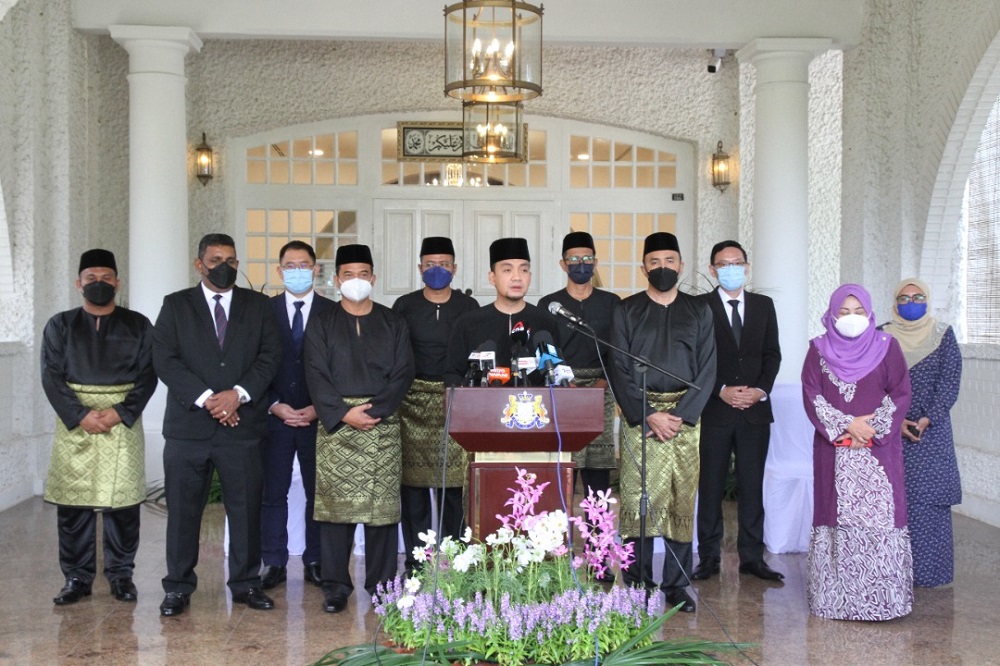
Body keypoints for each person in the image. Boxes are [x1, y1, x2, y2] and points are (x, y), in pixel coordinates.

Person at [153, 233, 282, 616]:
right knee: (183, 511)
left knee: (245, 510)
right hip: (188, 428)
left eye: (230, 259)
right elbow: (165, 358)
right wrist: (209, 398)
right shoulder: (176, 305)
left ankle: (245, 583)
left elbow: (269, 356)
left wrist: (237, 394)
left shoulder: (258, 307)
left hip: (241, 428)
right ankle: (177, 587)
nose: (223, 266)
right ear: (199, 264)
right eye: (214, 259)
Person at [41, 249, 157, 605]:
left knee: (122, 509)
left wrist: (120, 412)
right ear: (79, 283)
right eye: (91, 278)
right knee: (73, 508)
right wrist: (80, 415)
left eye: (106, 278)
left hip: (120, 423)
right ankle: (76, 578)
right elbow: (51, 375)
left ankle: (121, 576)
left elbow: (149, 374)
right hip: (77, 424)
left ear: (117, 283)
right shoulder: (60, 324)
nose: (99, 284)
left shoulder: (138, 324)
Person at [304, 244, 414, 614]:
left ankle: (382, 583)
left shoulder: (392, 321)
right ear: (336, 280)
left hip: (382, 425)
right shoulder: (320, 322)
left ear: (373, 278)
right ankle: (336, 585)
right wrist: (342, 413)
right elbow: (314, 372)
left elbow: (403, 372)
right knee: (335, 513)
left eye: (362, 273)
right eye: (348, 274)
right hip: (337, 426)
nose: (356, 281)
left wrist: (377, 411)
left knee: (381, 512)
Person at [609, 232, 716, 612]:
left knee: (679, 499)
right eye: (654, 262)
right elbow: (618, 368)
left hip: (685, 421)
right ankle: (638, 583)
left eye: (670, 261)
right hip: (643, 418)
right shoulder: (626, 310)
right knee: (642, 501)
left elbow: (707, 368)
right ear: (643, 269)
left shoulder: (699, 311)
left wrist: (682, 415)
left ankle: (675, 586)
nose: (663, 268)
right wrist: (648, 414)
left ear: (681, 265)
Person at [801, 283, 913, 621]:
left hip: (878, 452)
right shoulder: (817, 350)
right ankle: (836, 601)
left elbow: (901, 392)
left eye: (859, 312)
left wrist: (872, 427)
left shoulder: (888, 347)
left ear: (870, 313)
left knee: (881, 521)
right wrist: (849, 424)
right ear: (832, 315)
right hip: (833, 452)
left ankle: (883, 602)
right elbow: (811, 395)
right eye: (844, 312)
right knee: (834, 518)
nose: (852, 318)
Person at [692, 240, 783, 582]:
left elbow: (772, 354)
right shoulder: (699, 307)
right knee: (711, 486)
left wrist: (759, 391)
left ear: (746, 267)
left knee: (752, 485)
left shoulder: (764, 306)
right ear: (713, 269)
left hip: (754, 412)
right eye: (723, 264)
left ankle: (751, 558)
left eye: (737, 262)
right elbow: (696, 359)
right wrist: (721, 391)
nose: (731, 268)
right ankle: (709, 557)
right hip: (715, 410)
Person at [392, 237, 479, 574]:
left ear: (455, 268)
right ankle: (418, 561)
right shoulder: (404, 306)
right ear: (419, 269)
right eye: (430, 264)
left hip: (454, 402)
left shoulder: (469, 309)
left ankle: (456, 557)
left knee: (455, 486)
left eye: (444, 263)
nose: (437, 269)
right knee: (413, 487)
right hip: (412, 404)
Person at [259, 241, 335, 591]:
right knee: (272, 492)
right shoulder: (262, 311)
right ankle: (273, 562)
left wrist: (321, 407)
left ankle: (315, 560)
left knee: (317, 492)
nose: (297, 271)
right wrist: (274, 404)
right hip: (275, 417)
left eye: (303, 265)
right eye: (289, 265)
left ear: (315, 268)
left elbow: (340, 367)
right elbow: (253, 364)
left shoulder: (332, 312)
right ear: (279, 271)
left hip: (318, 417)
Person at [882, 278, 962, 587]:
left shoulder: (944, 335)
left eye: (918, 297)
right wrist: (895, 420)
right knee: (893, 501)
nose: (911, 302)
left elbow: (950, 380)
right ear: (895, 302)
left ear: (928, 299)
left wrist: (929, 417)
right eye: (904, 298)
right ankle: (894, 573)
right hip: (891, 433)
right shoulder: (883, 337)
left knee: (930, 502)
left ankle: (929, 575)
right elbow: (875, 384)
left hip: (933, 433)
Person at [538, 231, 620, 502]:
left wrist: (603, 382)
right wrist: (564, 384)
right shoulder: (549, 305)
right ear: (563, 264)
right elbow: (544, 349)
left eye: (586, 258)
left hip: (601, 388)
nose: (581, 264)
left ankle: (598, 542)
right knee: (563, 470)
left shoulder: (611, 303)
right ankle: (558, 542)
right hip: (562, 393)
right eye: (574, 259)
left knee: (597, 474)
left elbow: (619, 349)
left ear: (595, 263)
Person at [445, 237, 561, 386]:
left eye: (524, 270)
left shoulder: (546, 322)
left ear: (530, 277)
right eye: (507, 270)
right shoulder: (468, 322)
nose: (517, 277)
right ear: (492, 278)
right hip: (482, 407)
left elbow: (557, 373)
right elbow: (453, 374)